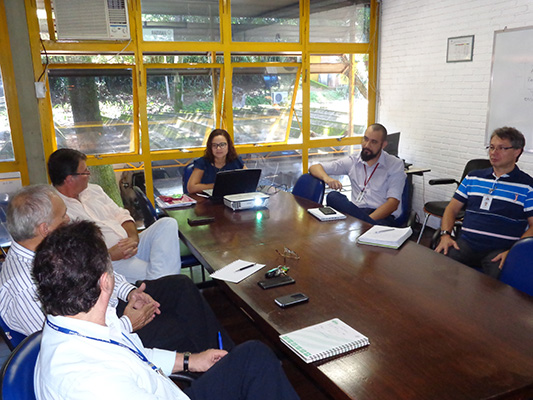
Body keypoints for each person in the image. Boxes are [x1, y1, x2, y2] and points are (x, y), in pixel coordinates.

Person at [33, 220, 300, 400]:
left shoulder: (78, 322)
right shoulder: (94, 382)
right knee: (257, 362)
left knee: (252, 356)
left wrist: (190, 360)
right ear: (106, 282)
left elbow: (135, 353)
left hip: (163, 388)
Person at [0, 185, 234, 353]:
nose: (69, 220)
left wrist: (130, 293)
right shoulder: (24, 286)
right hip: (104, 337)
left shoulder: (51, 250)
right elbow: (71, 345)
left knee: (180, 286)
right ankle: (220, 367)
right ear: (45, 229)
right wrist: (127, 323)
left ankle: (225, 356)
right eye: (63, 217)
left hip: (107, 310)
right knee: (181, 327)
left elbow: (102, 270)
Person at [47, 148, 180, 283]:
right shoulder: (54, 208)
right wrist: (109, 255)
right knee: (163, 276)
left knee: (167, 224)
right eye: (85, 172)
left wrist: (133, 238)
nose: (89, 174)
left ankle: (161, 284)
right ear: (70, 179)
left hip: (130, 244)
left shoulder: (94, 190)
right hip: (110, 262)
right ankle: (165, 284)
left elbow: (121, 214)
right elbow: (71, 258)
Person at [435, 127, 533, 278]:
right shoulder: (473, 178)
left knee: (499, 288)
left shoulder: (527, 186)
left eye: (501, 148)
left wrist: (513, 252)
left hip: (500, 250)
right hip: (466, 244)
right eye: (492, 147)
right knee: (439, 268)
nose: (494, 152)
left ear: (517, 151)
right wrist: (445, 235)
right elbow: (452, 209)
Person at [309, 123, 406, 225]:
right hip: (356, 211)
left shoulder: (395, 164)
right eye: (365, 139)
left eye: (373, 142)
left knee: (377, 228)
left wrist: (365, 222)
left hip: (381, 216)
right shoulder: (353, 161)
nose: (367, 145)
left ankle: (359, 223)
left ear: (383, 145)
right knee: (333, 196)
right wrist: (328, 179)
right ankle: (359, 223)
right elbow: (314, 167)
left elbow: (392, 204)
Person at [187, 129, 245, 194]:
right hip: (207, 201)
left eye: (222, 144)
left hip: (232, 198)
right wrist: (218, 186)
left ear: (229, 145)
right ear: (210, 147)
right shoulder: (202, 162)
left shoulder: (236, 160)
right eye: (214, 145)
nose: (218, 148)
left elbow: (250, 179)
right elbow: (191, 188)